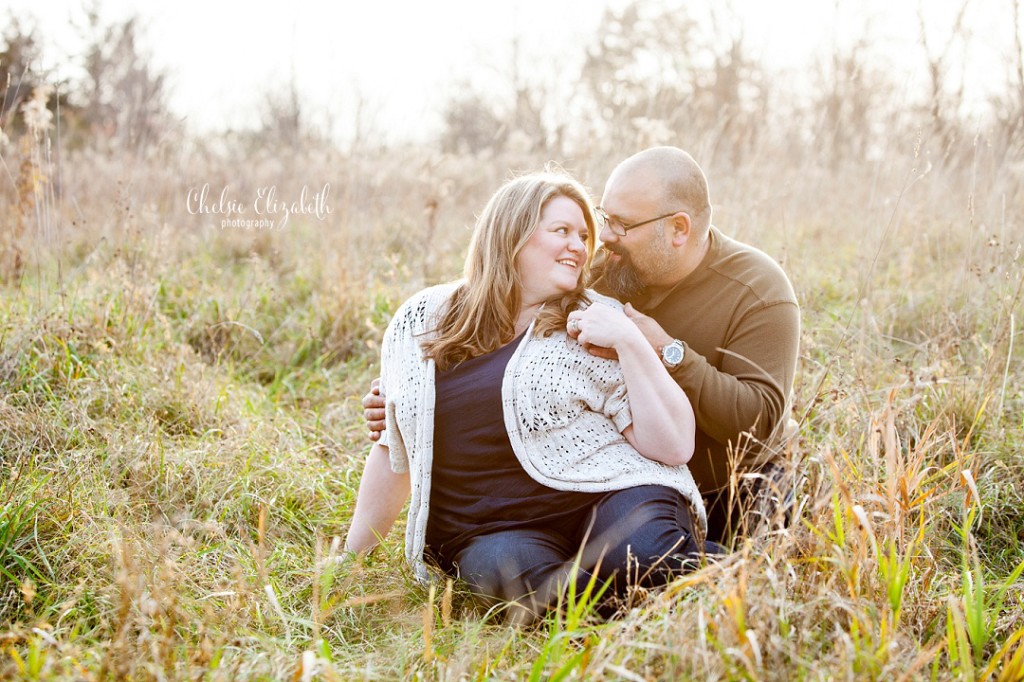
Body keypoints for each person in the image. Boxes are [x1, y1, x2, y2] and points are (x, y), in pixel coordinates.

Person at [364, 147, 801, 546]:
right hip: (609, 488)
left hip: (728, 489)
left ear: (678, 229)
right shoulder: (600, 272)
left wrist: (666, 349)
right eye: (604, 217)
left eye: (622, 226)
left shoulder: (758, 290)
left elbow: (758, 420)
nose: (603, 237)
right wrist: (411, 397)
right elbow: (510, 323)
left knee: (709, 569)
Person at [345, 169, 708, 623]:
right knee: (527, 594)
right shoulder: (422, 318)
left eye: (583, 235)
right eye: (562, 231)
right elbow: (393, 448)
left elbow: (672, 445)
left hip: (612, 495)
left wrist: (631, 342)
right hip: (492, 531)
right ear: (511, 236)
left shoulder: (595, 319)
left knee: (643, 561)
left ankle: (733, 571)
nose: (579, 246)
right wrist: (350, 563)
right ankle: (644, 597)